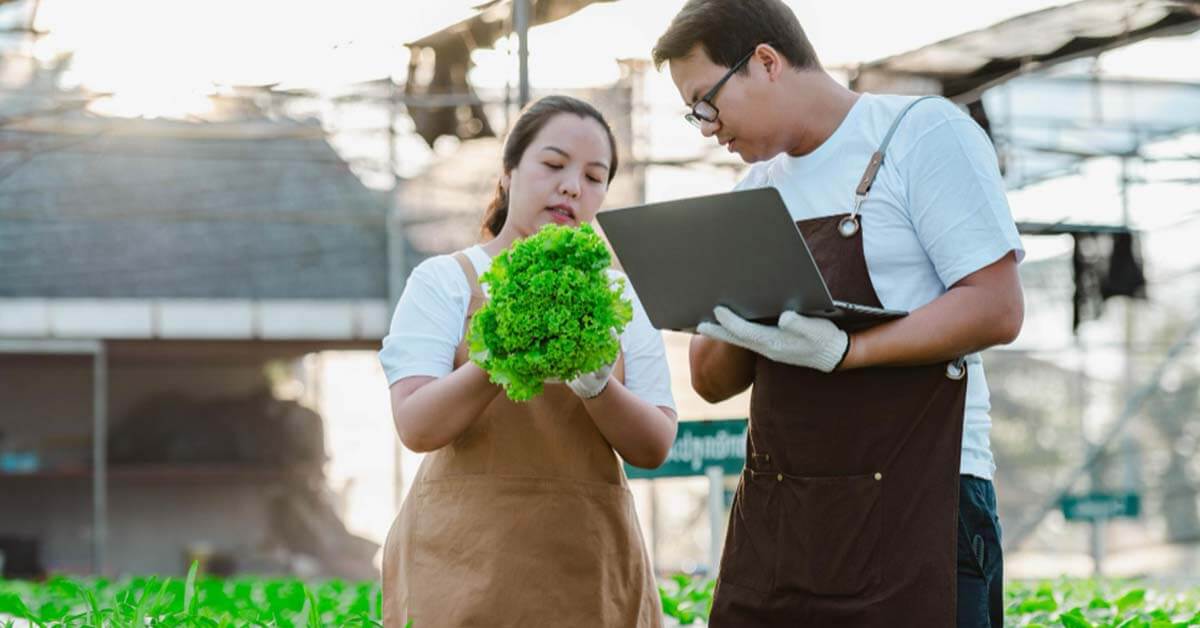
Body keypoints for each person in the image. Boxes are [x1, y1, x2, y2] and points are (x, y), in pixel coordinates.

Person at [651, 1, 1025, 626]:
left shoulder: (916, 133)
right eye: (695, 114)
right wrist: (721, 301)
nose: (707, 127)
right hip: (785, 517)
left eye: (706, 102)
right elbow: (711, 382)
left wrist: (849, 352)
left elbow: (996, 306)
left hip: (920, 502)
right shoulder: (752, 195)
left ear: (765, 62)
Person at [377, 95, 678, 628]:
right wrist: (499, 356)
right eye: (553, 164)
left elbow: (654, 444)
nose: (571, 187)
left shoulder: (621, 296)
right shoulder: (446, 281)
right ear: (510, 171)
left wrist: (598, 386)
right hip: (461, 567)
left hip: (589, 569)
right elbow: (417, 424)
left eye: (594, 176)